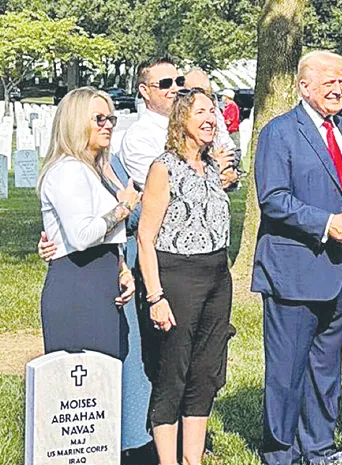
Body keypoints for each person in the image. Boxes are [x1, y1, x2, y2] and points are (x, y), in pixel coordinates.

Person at [251, 50, 342, 465]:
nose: (339, 89)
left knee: (325, 370)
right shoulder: (279, 132)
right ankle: (280, 452)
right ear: (304, 87)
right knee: (286, 372)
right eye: (328, 83)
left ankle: (317, 448)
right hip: (295, 271)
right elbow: (273, 198)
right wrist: (325, 223)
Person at [137, 87, 238, 465]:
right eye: (202, 112)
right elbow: (145, 237)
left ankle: (192, 459)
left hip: (216, 276)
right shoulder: (163, 168)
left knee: (205, 372)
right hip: (177, 277)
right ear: (182, 120)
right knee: (173, 372)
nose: (212, 118)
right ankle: (168, 460)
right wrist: (155, 296)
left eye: (213, 111)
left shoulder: (212, 167)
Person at [37, 87, 139, 361]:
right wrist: (125, 206)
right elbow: (82, 236)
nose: (108, 125)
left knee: (101, 389)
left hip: (99, 285)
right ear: (76, 122)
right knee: (79, 392)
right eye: (99, 119)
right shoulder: (69, 170)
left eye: (111, 119)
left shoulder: (93, 169)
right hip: (79, 290)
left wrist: (121, 270)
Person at [121, 57, 184, 187]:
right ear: (145, 91)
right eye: (165, 84)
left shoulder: (192, 124)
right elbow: (160, 189)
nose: (175, 89)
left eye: (179, 81)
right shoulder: (138, 138)